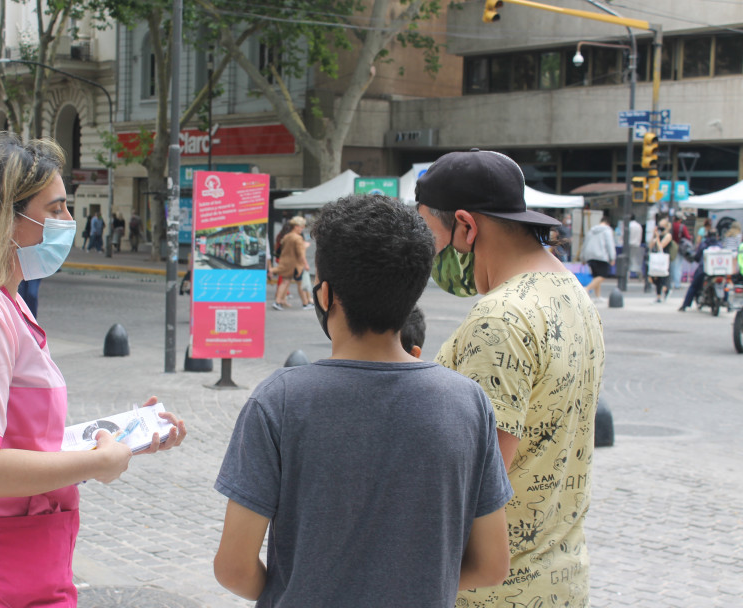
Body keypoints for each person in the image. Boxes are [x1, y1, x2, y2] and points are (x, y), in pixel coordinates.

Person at [0, 133, 186, 608]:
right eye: (56, 209)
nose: (70, 222)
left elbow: (9, 437)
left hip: (3, 562)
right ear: (6, 218)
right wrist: (97, 463)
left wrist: (119, 439)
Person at [214, 194, 512, 606]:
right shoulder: (468, 403)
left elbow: (233, 567)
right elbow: (493, 565)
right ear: (412, 296)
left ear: (325, 294)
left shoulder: (280, 401)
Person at [415, 149, 605, 608]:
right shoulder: (571, 294)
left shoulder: (500, 318)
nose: (426, 251)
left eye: (428, 232)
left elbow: (475, 477)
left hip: (491, 591)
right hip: (560, 579)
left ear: (466, 226)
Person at [271, 216, 310, 310]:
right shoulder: (298, 238)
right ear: (296, 226)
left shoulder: (286, 236)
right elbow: (300, 253)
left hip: (286, 263)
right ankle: (305, 303)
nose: (302, 228)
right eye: (301, 226)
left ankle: (278, 302)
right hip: (296, 265)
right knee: (300, 284)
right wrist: (306, 263)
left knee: (284, 282)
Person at [678, 230, 722, 312]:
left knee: (693, 286)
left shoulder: (704, 244)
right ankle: (727, 302)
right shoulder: (720, 244)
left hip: (704, 269)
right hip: (719, 270)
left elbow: (697, 256)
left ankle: (685, 305)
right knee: (723, 285)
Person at [580, 213, 616, 303]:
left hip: (590, 255)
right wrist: (612, 257)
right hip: (601, 255)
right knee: (602, 275)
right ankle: (587, 288)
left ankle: (598, 296)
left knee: (596, 276)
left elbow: (585, 243)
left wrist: (583, 257)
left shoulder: (592, 230)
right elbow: (609, 244)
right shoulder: (607, 230)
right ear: (608, 223)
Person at [649, 217, 675, 303]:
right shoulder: (658, 235)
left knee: (664, 277)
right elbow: (650, 246)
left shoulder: (668, 235)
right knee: (656, 277)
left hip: (664, 259)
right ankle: (659, 296)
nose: (660, 228)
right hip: (657, 258)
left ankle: (666, 291)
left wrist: (657, 237)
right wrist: (654, 235)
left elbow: (661, 246)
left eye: (662, 226)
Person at [671, 212, 692, 288]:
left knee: (671, 266)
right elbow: (688, 237)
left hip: (671, 248)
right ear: (680, 219)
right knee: (678, 266)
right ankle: (677, 284)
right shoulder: (682, 227)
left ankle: (670, 283)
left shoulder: (670, 226)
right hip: (680, 248)